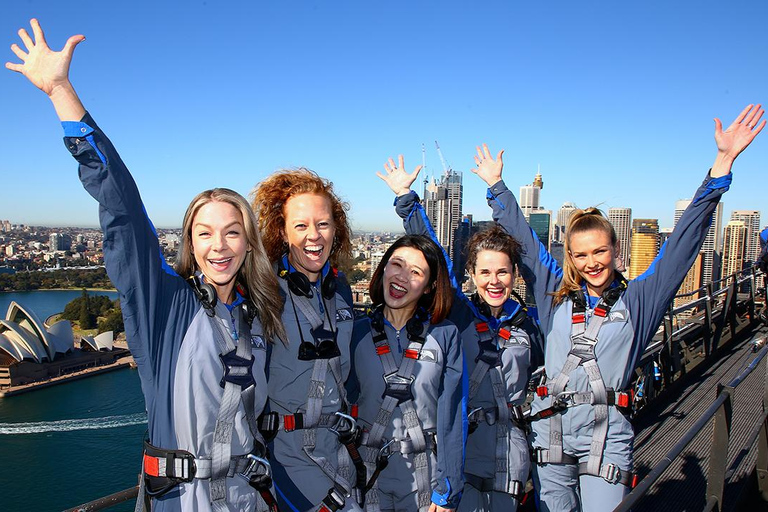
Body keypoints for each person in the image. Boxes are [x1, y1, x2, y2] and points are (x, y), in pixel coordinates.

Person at [7, 19, 287, 512]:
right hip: (180, 500)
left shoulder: (259, 315)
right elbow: (124, 209)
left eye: (232, 232)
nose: (218, 246)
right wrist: (61, 92)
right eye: (204, 233)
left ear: (248, 244)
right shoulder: (165, 305)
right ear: (189, 243)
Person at [470, 104, 765, 512]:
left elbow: (682, 245)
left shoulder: (640, 300)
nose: (592, 262)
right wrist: (498, 188)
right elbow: (527, 244)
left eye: (600, 251)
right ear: (569, 256)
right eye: (581, 254)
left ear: (616, 251)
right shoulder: (554, 293)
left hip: (606, 437)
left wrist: (720, 168)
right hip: (548, 431)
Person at [377, 157, 544, 511]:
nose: (494, 281)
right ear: (471, 273)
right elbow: (433, 254)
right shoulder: (461, 317)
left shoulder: (529, 323)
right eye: (484, 272)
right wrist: (406, 199)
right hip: (462, 455)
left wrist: (499, 189)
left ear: (515, 274)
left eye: (502, 272)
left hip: (509, 456)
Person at [252, 171, 361, 512]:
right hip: (287, 455)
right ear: (282, 233)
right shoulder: (263, 290)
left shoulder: (339, 291)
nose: (314, 236)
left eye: (323, 224)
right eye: (300, 226)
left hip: (336, 449)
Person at [348, 235, 465, 512]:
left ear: (428, 286)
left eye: (416, 272)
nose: (402, 277)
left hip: (425, 475)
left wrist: (447, 489)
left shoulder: (445, 335)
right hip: (367, 472)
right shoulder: (356, 332)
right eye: (396, 264)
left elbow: (452, 415)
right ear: (383, 269)